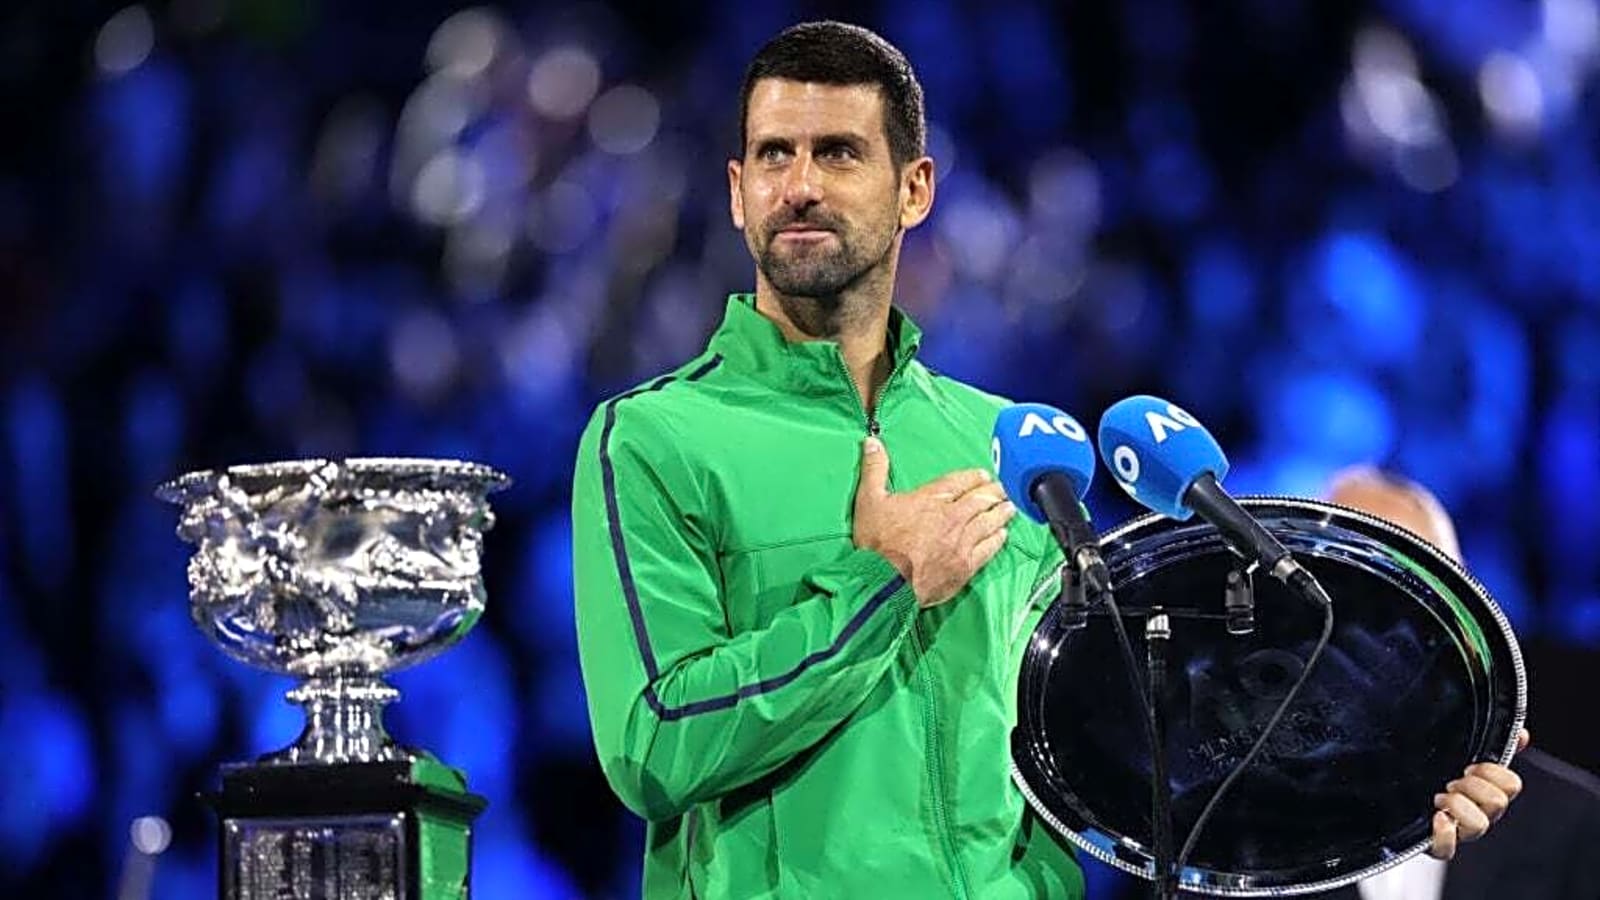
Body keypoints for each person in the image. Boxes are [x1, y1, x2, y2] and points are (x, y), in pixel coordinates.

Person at [570, 21, 1517, 898]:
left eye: (839, 152)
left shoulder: (1013, 445)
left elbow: (1135, 762)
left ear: (915, 190)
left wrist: (1391, 776)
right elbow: (656, 746)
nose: (801, 185)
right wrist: (884, 583)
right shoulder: (654, 438)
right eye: (774, 154)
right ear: (736, 191)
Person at [1322, 466, 1600, 900]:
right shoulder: (1238, 826)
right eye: (1347, 584)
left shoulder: (1574, 819)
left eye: (1414, 584)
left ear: (1465, 607)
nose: (1383, 623)